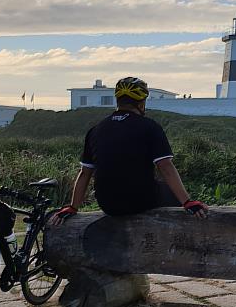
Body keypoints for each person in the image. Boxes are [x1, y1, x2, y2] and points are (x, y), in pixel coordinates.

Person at [52, 76, 208, 223]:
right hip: (140, 202)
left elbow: (85, 173)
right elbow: (165, 166)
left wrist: (73, 207)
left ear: (118, 101)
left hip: (107, 204)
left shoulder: (96, 130)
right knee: (168, 191)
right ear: (141, 103)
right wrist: (187, 202)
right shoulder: (149, 127)